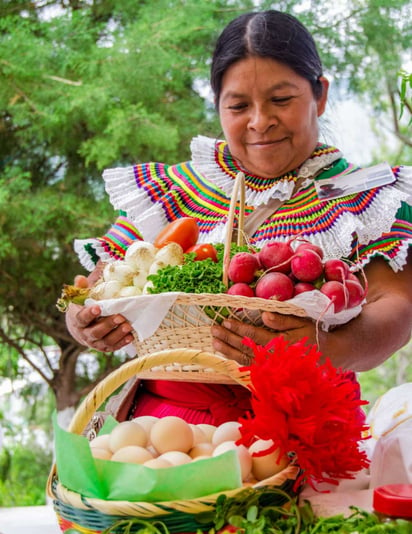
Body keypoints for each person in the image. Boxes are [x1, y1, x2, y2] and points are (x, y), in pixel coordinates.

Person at [66, 10, 412, 426]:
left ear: (319, 94)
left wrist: (328, 349)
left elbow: (397, 305)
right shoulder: (175, 192)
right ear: (218, 106)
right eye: (238, 105)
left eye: (281, 100)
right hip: (165, 426)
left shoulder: (369, 197)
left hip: (306, 428)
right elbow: (108, 277)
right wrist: (82, 321)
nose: (260, 121)